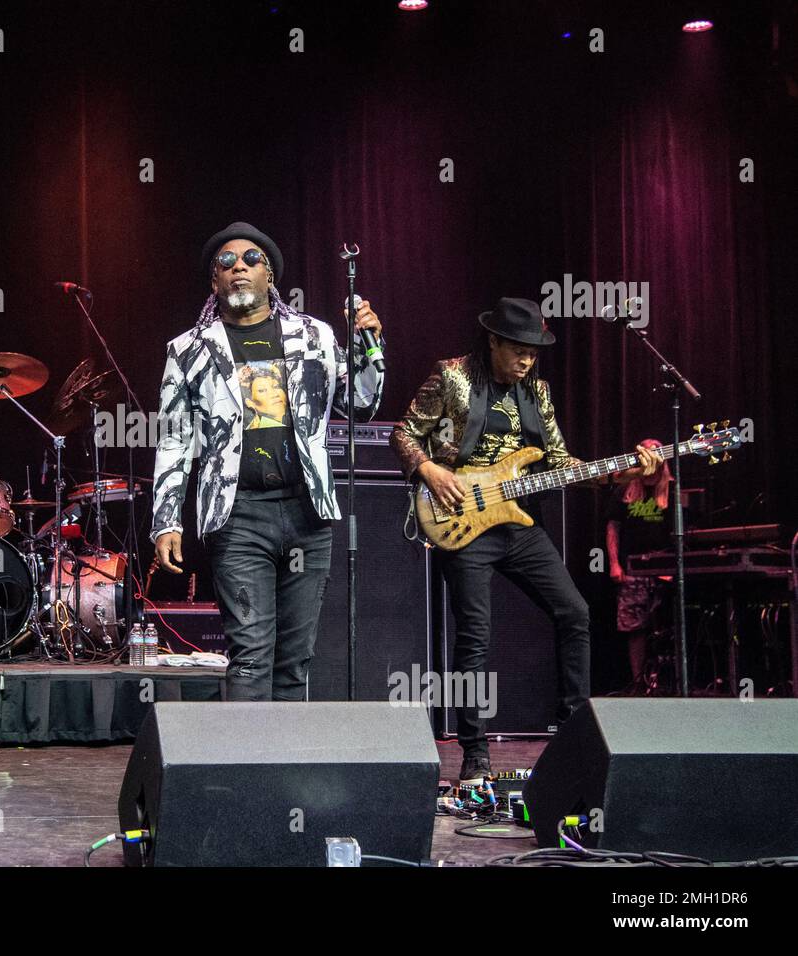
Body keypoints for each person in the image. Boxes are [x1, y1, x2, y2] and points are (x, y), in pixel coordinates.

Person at [390, 297, 658, 781]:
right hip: (461, 517)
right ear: (493, 340)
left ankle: (576, 733)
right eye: (518, 350)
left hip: (519, 521)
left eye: (534, 353)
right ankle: (474, 754)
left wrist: (616, 474)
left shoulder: (537, 391)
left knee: (574, 612)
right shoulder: (452, 376)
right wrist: (429, 470)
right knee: (475, 636)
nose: (527, 360)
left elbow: (559, 461)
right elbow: (404, 433)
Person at [151, 221, 384, 700]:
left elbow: (361, 404)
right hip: (239, 517)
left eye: (251, 259)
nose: (239, 266)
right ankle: (242, 775)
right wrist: (165, 521)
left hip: (306, 513)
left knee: (294, 660)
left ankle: (283, 772)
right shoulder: (188, 350)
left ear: (270, 276)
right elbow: (175, 441)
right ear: (214, 282)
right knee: (250, 655)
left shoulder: (314, 335)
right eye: (226, 262)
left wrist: (369, 346)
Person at [605, 438, 671, 693]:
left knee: (666, 625)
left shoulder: (671, 490)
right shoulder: (624, 489)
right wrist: (613, 563)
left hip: (664, 570)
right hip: (632, 569)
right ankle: (639, 682)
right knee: (635, 627)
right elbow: (612, 527)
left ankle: (667, 680)